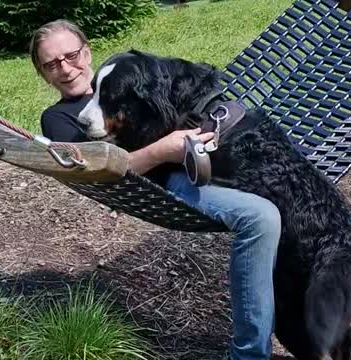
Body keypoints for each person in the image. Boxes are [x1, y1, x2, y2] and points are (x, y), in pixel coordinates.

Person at [29, 20, 281, 360]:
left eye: (70, 55)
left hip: (205, 156)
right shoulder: (59, 119)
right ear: (43, 73)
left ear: (86, 52)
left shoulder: (123, 77)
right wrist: (164, 150)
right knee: (261, 217)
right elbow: (93, 173)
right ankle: (249, 354)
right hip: (163, 183)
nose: (65, 67)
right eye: (51, 63)